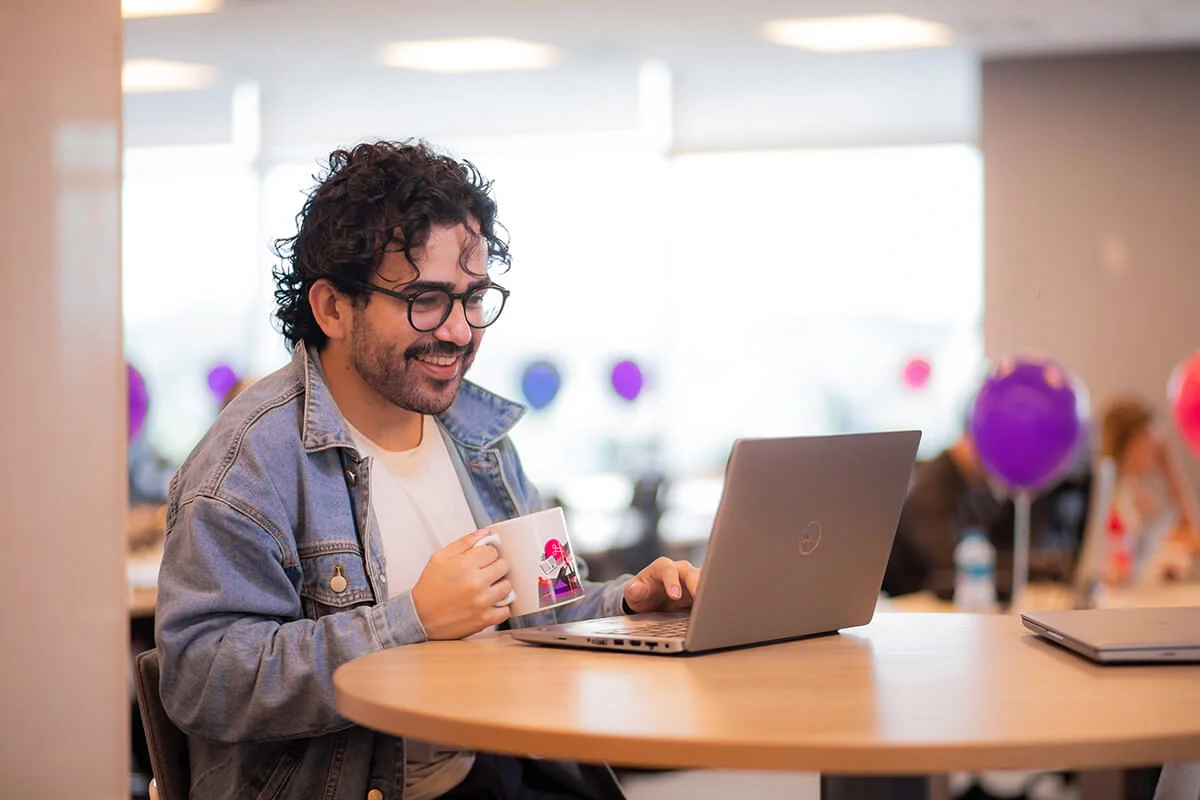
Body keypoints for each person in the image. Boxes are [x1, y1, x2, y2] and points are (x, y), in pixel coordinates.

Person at [154, 140, 700, 800]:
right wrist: (411, 621)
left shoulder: (480, 436)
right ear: (332, 308)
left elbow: (547, 606)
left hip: (490, 768)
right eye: (425, 299)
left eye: (473, 299)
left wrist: (630, 603)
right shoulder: (248, 463)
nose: (460, 331)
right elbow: (202, 677)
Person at [1098, 397, 1200, 584]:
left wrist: (1172, 472)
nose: (1158, 450)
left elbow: (1193, 538)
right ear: (1133, 444)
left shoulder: (1135, 494)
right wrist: (1172, 471)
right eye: (1151, 440)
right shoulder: (1117, 499)